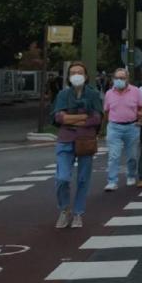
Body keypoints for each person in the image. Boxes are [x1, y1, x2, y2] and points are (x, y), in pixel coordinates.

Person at [50, 61, 102, 228]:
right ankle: (64, 209)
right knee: (62, 178)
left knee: (82, 179)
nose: (76, 75)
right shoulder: (63, 94)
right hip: (65, 140)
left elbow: (97, 118)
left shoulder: (93, 94)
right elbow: (58, 118)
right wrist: (82, 117)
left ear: (86, 76)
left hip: (86, 140)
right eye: (72, 73)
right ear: (68, 76)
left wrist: (70, 119)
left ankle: (78, 213)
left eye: (79, 72)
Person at [103, 67, 142, 191]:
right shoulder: (109, 93)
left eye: (122, 78)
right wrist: (105, 127)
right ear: (113, 79)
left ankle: (131, 175)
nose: (119, 80)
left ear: (127, 79)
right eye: (117, 78)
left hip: (132, 127)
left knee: (132, 155)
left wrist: (141, 119)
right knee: (113, 155)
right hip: (114, 127)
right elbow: (106, 111)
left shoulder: (136, 91)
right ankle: (112, 181)